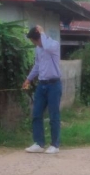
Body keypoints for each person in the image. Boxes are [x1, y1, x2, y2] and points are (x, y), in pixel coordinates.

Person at [23, 25, 62, 154]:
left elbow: (47, 47)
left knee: (54, 115)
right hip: (42, 84)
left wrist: (42, 33)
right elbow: (37, 65)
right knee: (36, 114)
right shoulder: (38, 49)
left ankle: (55, 145)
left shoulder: (53, 45)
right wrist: (28, 79)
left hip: (54, 85)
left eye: (34, 41)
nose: (34, 44)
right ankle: (39, 143)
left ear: (38, 38)